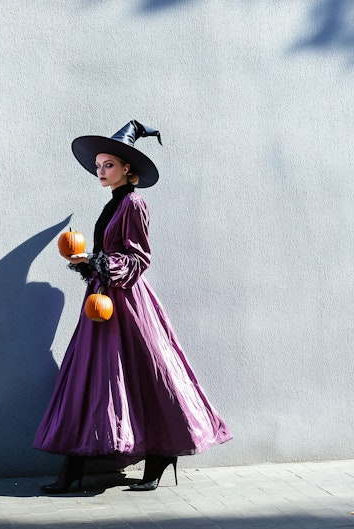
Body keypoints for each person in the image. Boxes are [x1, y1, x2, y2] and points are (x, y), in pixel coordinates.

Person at [33, 120, 232, 494]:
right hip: (102, 302)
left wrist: (99, 263)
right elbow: (109, 255)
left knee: (147, 375)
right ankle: (74, 467)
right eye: (98, 166)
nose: (101, 171)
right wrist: (85, 263)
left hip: (126, 303)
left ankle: (157, 454)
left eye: (108, 164)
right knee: (88, 377)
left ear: (128, 168)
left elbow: (138, 258)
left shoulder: (134, 203)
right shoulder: (111, 205)